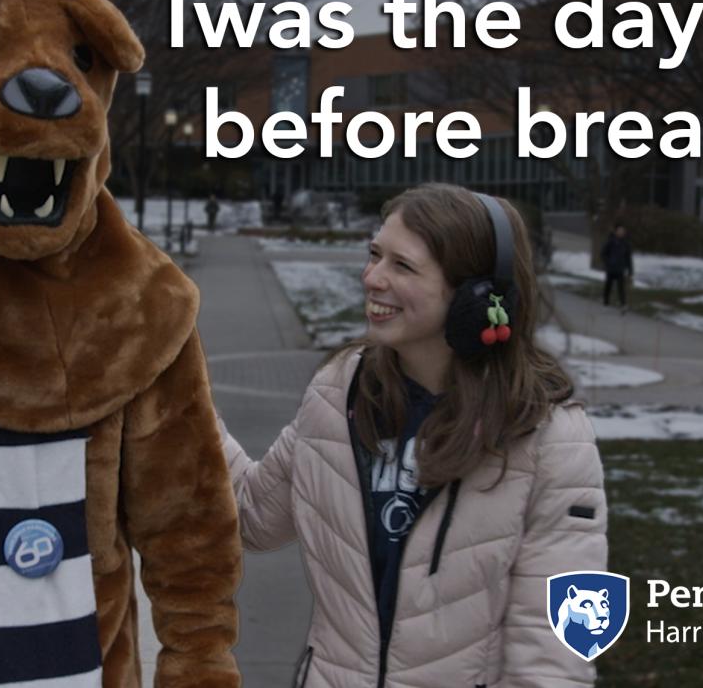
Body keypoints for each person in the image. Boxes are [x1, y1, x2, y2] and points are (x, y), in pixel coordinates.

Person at [221, 183, 607, 687]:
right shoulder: (338, 395)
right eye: (374, 255)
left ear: (477, 298)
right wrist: (180, 403)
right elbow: (250, 515)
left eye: (401, 266)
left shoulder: (549, 439)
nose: (371, 278)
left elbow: (556, 656)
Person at [601, 222, 633, 310]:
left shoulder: (626, 244)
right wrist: (608, 262)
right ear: (616, 232)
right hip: (611, 268)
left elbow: (628, 258)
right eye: (619, 231)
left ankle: (623, 304)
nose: (621, 232)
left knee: (621, 287)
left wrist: (630, 271)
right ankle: (606, 301)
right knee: (608, 285)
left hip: (620, 269)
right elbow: (603, 253)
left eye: (623, 231)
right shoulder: (610, 242)